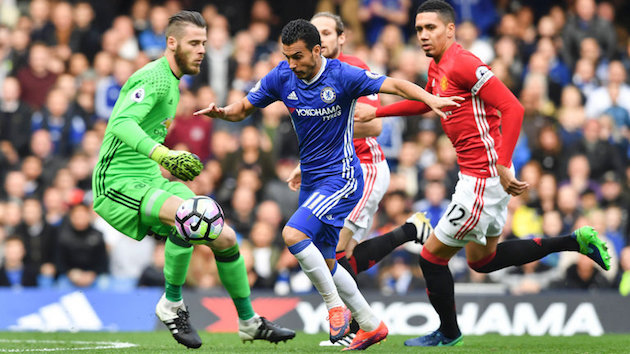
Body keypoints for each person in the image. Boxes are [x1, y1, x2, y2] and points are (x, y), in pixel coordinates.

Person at [355, 0, 611, 347]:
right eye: (418, 29)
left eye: (430, 28)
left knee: (431, 258)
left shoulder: (463, 63)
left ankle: (448, 333)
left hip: (484, 177)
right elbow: (428, 100)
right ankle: (574, 241)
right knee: (483, 260)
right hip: (482, 174)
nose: (423, 35)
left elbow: (513, 107)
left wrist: (503, 165)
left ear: (450, 29)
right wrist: (379, 114)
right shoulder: (438, 65)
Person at [195, 18, 462, 350]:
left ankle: (335, 307)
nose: (292, 64)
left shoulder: (343, 75)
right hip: (311, 179)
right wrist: (223, 112)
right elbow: (245, 108)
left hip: (343, 178)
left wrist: (431, 100)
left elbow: (395, 85)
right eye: (287, 56)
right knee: (327, 260)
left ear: (317, 50)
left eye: (298, 57)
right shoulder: (282, 75)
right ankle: (370, 324)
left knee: (293, 234)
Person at [91, 11, 294, 349]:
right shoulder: (153, 78)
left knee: (224, 235)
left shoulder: (174, 81)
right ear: (172, 43)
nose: (202, 49)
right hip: (117, 183)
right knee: (188, 214)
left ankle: (248, 321)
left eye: (204, 42)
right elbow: (120, 124)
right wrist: (164, 155)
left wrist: (161, 160)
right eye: (195, 43)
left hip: (149, 178)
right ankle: (171, 304)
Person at [308, 12, 433, 347]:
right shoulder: (309, 74)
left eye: (325, 33)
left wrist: (328, 125)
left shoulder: (353, 67)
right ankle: (410, 231)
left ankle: (355, 326)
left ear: (341, 37)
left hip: (365, 168)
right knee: (340, 256)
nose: (319, 40)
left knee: (329, 252)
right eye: (314, 34)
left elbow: (375, 125)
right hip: (338, 171)